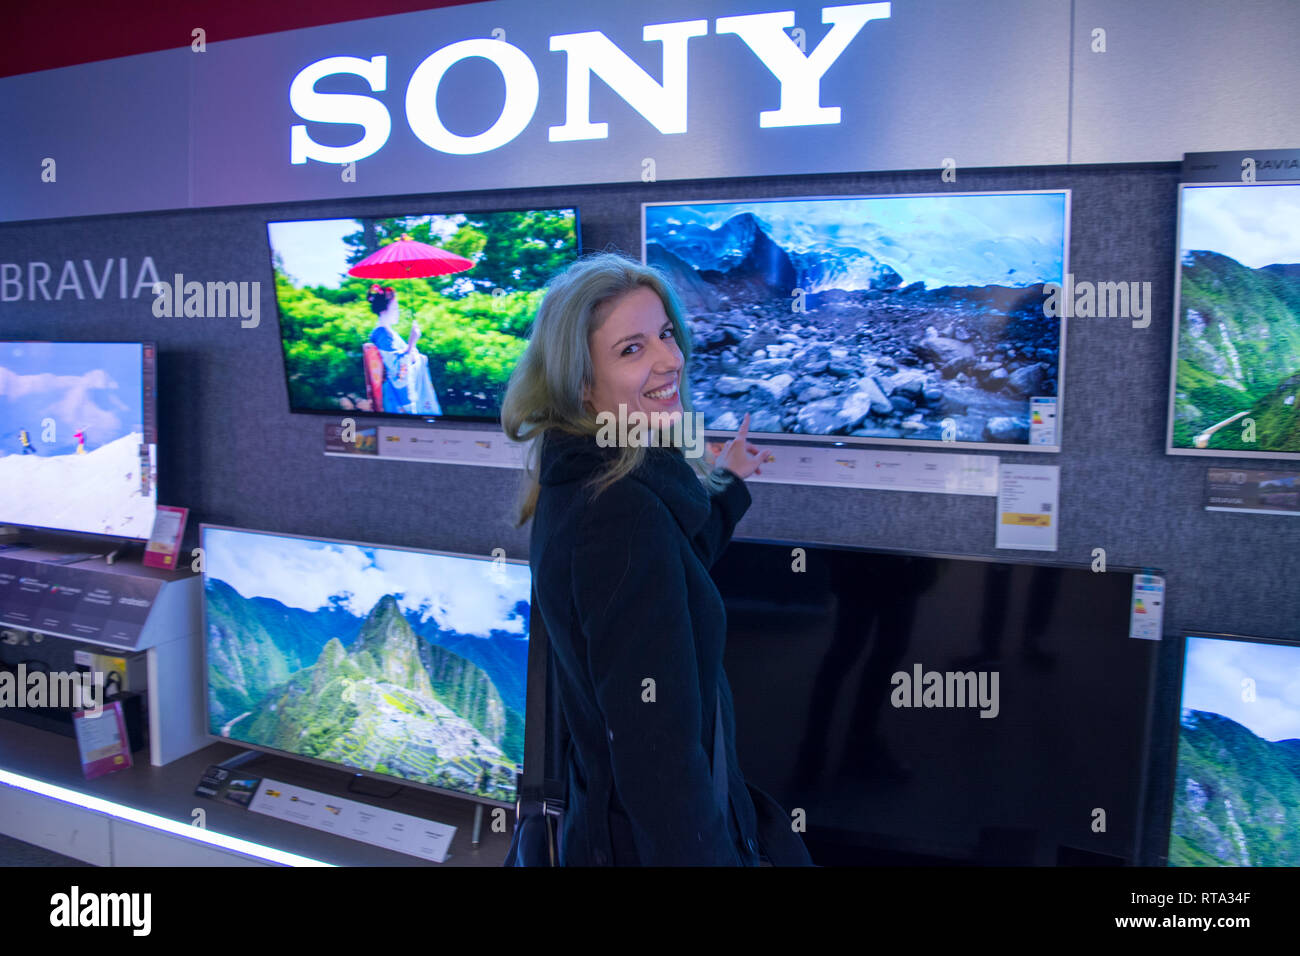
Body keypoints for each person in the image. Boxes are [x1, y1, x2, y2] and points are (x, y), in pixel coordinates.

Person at [501, 252, 811, 866]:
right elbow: (659, 759)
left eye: (666, 334)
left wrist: (729, 483)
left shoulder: (594, 477)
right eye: (631, 349)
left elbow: (670, 563)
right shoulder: (620, 514)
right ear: (582, 384)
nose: (670, 359)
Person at [366, 285, 442, 415]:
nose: (398, 312)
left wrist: (414, 352)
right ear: (384, 310)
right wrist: (412, 342)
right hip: (397, 397)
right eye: (395, 308)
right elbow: (396, 368)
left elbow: (404, 355)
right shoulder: (383, 335)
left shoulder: (387, 333)